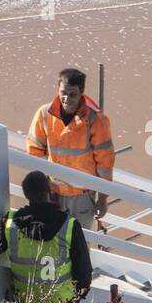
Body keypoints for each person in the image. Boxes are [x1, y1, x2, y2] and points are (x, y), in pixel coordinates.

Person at [0, 170, 92, 303]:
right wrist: (74, 300)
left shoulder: (10, 224)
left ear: (26, 195)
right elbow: (84, 274)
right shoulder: (69, 225)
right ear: (49, 191)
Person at [26, 67, 114, 232]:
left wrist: (103, 198)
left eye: (72, 94)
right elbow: (34, 151)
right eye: (63, 93)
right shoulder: (44, 114)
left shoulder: (96, 121)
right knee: (52, 242)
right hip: (52, 193)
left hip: (82, 196)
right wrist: (42, 189)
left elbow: (105, 164)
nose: (66, 99)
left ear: (82, 92)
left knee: (80, 243)